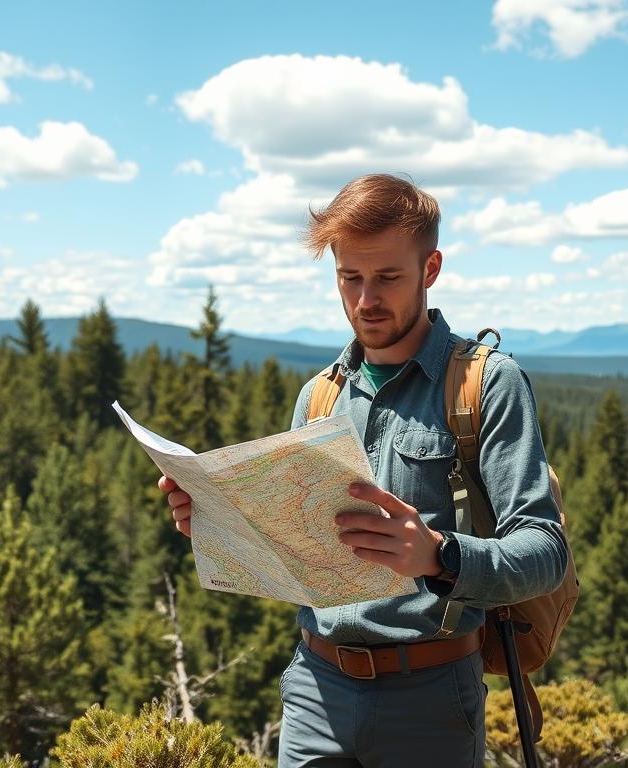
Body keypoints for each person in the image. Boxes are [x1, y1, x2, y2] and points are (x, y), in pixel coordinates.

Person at [159, 173, 568, 767]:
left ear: (431, 268)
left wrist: (439, 555)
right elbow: (301, 554)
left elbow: (544, 552)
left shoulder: (486, 384)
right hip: (314, 692)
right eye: (349, 278)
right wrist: (219, 522)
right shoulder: (318, 398)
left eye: (387, 278)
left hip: (431, 696)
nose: (365, 299)